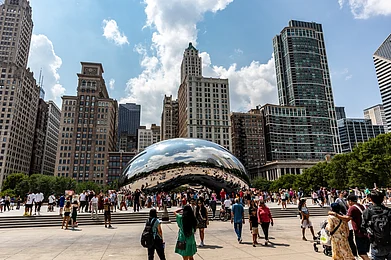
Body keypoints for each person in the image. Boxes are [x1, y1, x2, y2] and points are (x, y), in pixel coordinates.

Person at [330, 194, 369, 260]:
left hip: (359, 232)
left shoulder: (352, 208)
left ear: (350, 201)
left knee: (362, 253)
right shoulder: (363, 206)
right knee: (365, 252)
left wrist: (335, 214)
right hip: (367, 232)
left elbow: (346, 219)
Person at [362, 190, 391, 260]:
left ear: (371, 199)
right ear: (383, 199)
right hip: (389, 243)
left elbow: (363, 227)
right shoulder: (388, 211)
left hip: (376, 244)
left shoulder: (367, 211)